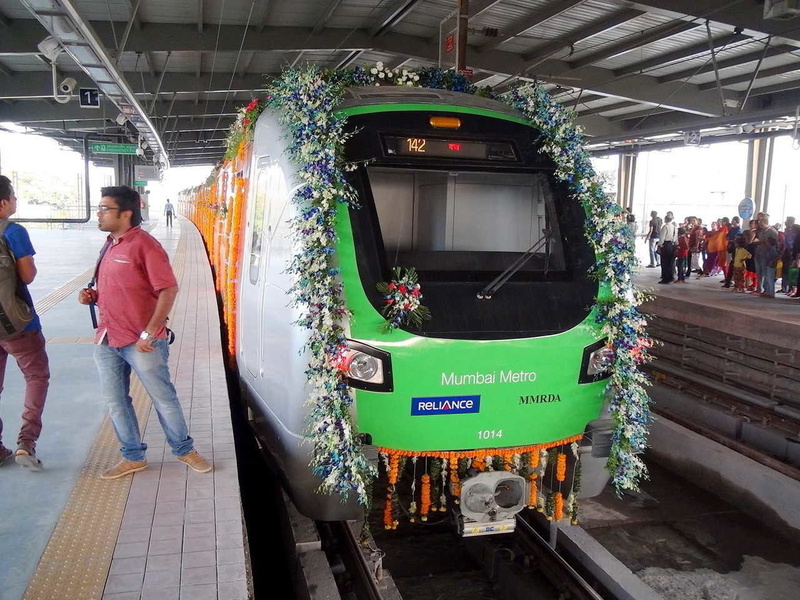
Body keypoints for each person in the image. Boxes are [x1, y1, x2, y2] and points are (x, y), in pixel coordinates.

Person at [78, 185, 211, 480]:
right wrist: (92, 296)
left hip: (142, 342)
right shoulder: (109, 245)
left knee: (163, 397)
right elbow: (120, 288)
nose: (98, 214)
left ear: (125, 213)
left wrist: (150, 332)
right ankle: (133, 456)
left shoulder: (145, 245)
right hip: (107, 338)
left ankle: (184, 449)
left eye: (104, 209)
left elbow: (168, 289)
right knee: (116, 401)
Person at [0, 176, 50, 471]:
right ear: (3, 203)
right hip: (18, 325)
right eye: (13, 196)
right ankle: (26, 443)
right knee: (36, 377)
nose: (16, 201)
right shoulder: (13, 231)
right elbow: (28, 276)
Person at [657, 212, 678, 284]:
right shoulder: (674, 227)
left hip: (666, 245)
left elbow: (662, 238)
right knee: (671, 262)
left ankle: (665, 278)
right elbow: (676, 238)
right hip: (673, 245)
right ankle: (671, 277)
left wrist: (660, 245)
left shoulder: (665, 227)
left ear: (666, 219)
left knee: (665, 262)